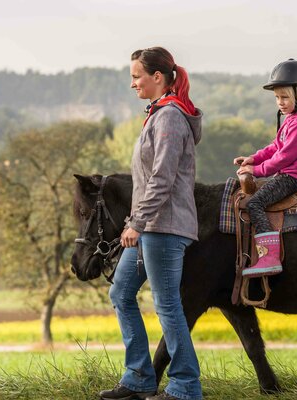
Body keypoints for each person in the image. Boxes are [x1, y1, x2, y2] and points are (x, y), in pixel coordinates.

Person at [99, 47, 203, 400]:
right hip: (150, 227)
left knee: (167, 304)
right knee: (121, 293)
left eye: (136, 76)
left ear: (157, 77)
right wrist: (138, 222)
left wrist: (137, 223)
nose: (133, 84)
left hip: (164, 227)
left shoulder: (170, 118)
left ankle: (186, 386)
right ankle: (140, 377)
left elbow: (162, 177)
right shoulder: (158, 115)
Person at [234, 59, 297, 278]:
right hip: (288, 173)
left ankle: (269, 257)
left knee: (255, 203)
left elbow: (284, 157)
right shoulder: (292, 119)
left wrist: (256, 171)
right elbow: (275, 147)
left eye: (285, 97)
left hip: (294, 177)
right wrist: (252, 159)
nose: (280, 102)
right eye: (277, 97)